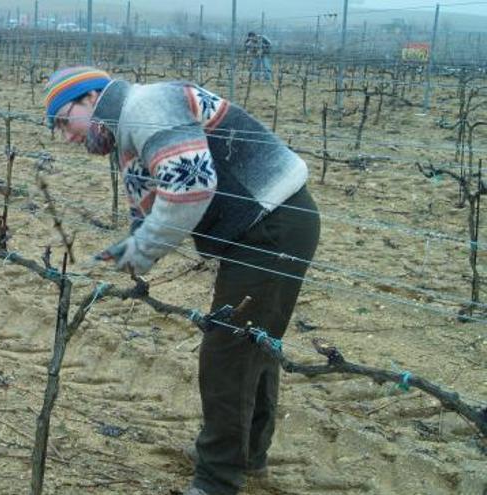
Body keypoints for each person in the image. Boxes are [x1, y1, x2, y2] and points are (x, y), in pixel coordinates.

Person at [44, 67, 320, 495]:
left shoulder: (146, 108)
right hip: (266, 226)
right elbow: (149, 199)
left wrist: (143, 250)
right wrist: (128, 251)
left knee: (227, 354)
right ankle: (245, 457)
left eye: (64, 121)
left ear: (91, 98)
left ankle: (216, 481)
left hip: (272, 226)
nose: (66, 136)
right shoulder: (128, 132)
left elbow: (191, 187)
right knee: (251, 348)